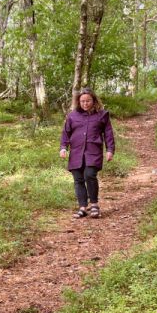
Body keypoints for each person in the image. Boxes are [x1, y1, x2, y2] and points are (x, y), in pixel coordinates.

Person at [60, 88, 115, 218]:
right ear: (78, 102)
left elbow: (108, 133)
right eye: (83, 101)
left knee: (90, 174)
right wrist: (63, 147)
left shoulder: (102, 115)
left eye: (88, 101)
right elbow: (66, 133)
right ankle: (83, 207)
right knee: (78, 179)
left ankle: (94, 205)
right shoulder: (72, 116)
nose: (85, 104)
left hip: (93, 151)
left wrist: (110, 150)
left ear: (94, 100)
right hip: (76, 152)